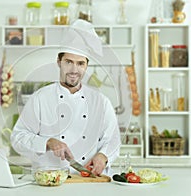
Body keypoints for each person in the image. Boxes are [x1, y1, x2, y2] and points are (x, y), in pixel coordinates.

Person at [10, 19, 121, 176]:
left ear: (86, 66)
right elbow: (18, 138)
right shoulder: (40, 98)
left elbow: (113, 139)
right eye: (68, 62)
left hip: (90, 181)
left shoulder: (101, 102)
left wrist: (103, 156)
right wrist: (47, 142)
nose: (74, 70)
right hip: (50, 182)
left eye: (80, 63)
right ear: (59, 62)